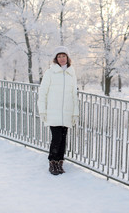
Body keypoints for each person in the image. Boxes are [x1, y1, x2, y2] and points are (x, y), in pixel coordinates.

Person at [38, 46, 79, 175]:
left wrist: (75, 112)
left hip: (67, 111)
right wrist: (42, 110)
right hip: (53, 111)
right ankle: (52, 162)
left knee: (63, 138)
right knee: (56, 138)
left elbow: (74, 94)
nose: (62, 58)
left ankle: (60, 162)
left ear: (68, 58)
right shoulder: (50, 72)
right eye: (59, 56)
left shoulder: (71, 73)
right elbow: (43, 91)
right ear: (56, 59)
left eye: (64, 56)